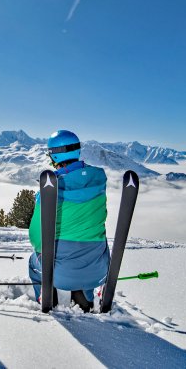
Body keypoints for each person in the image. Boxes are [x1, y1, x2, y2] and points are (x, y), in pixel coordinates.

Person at [28, 130, 110, 311]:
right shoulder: (98, 179)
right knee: (91, 242)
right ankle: (85, 297)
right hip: (99, 269)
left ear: (54, 155)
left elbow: (35, 236)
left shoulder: (51, 187)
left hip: (60, 273)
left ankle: (46, 298)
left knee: (33, 264)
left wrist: (44, 253)